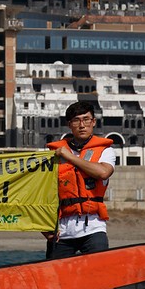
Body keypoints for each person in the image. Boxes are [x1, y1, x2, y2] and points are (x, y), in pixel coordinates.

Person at [43, 101, 116, 259]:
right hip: (61, 231)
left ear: (93, 122)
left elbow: (103, 173)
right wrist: (44, 227)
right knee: (53, 276)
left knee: (98, 272)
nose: (82, 125)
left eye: (86, 119)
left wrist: (69, 157)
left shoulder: (106, 151)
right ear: (69, 125)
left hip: (94, 228)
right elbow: (40, 191)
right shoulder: (53, 154)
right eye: (76, 120)